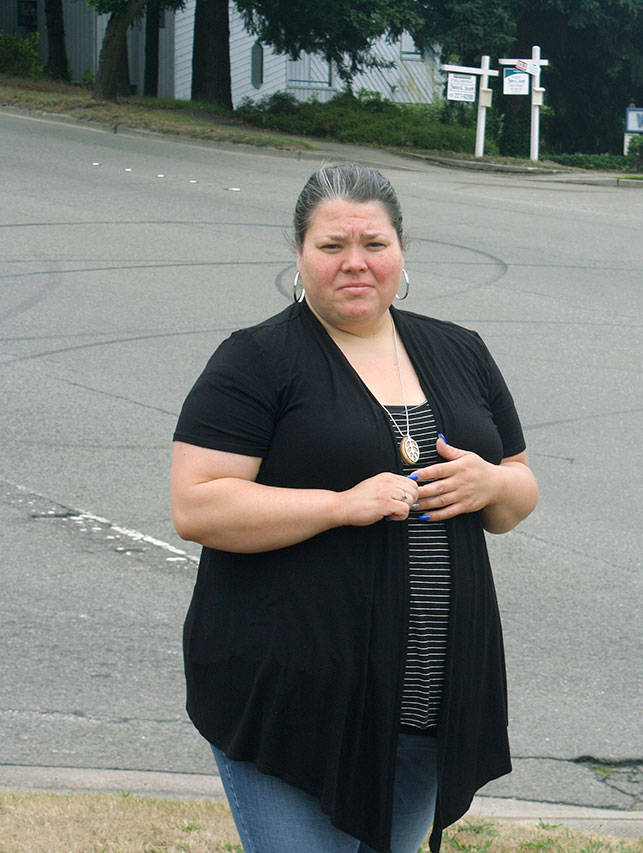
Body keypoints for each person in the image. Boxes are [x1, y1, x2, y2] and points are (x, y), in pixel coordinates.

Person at [170, 163, 537, 853]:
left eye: (374, 243)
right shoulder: (257, 360)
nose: (355, 263)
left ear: (402, 250)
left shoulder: (460, 352)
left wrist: (491, 484)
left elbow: (519, 489)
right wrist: (341, 505)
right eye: (331, 245)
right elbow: (197, 504)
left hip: (427, 705)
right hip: (294, 698)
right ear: (300, 255)